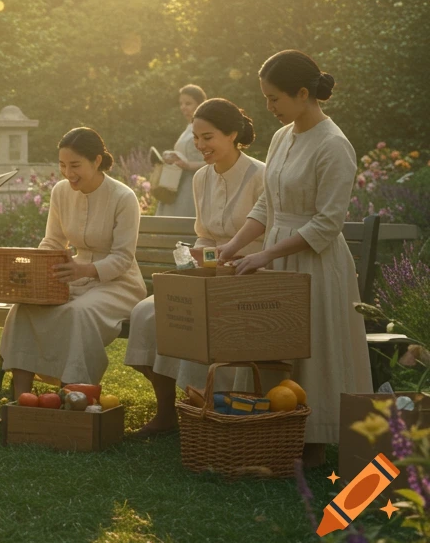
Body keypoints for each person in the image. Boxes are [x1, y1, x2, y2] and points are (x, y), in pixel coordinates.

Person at [216, 50, 370, 465]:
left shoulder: (335, 146)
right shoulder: (283, 137)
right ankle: (269, 427)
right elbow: (269, 204)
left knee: (311, 346)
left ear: (304, 94)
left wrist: (266, 255)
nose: (268, 108)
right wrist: (234, 245)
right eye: (265, 98)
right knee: (270, 340)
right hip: (276, 254)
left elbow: (327, 223)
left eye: (275, 99)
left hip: (314, 261)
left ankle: (313, 441)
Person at [124, 98, 265, 435]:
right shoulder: (201, 177)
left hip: (247, 277)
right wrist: (189, 262)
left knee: (199, 320)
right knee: (145, 314)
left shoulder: (261, 175)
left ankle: (208, 411)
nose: (201, 146)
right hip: (205, 278)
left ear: (232, 134)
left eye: (208, 137)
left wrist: (212, 260)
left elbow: (263, 242)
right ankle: (167, 412)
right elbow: (202, 237)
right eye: (197, 138)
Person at [0, 127, 146, 395]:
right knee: (23, 310)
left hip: (119, 285)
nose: (68, 173)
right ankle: (21, 400)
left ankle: (74, 396)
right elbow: (53, 242)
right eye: (63, 165)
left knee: (77, 314)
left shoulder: (124, 198)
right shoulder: (61, 192)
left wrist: (85, 270)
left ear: (97, 160)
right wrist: (34, 270)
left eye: (75, 165)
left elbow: (123, 258)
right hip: (72, 277)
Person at [155, 84, 208, 217]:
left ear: (200, 104)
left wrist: (189, 165)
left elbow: (214, 161)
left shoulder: (207, 128)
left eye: (188, 103)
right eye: (181, 103)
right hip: (176, 183)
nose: (183, 107)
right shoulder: (188, 127)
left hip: (194, 186)